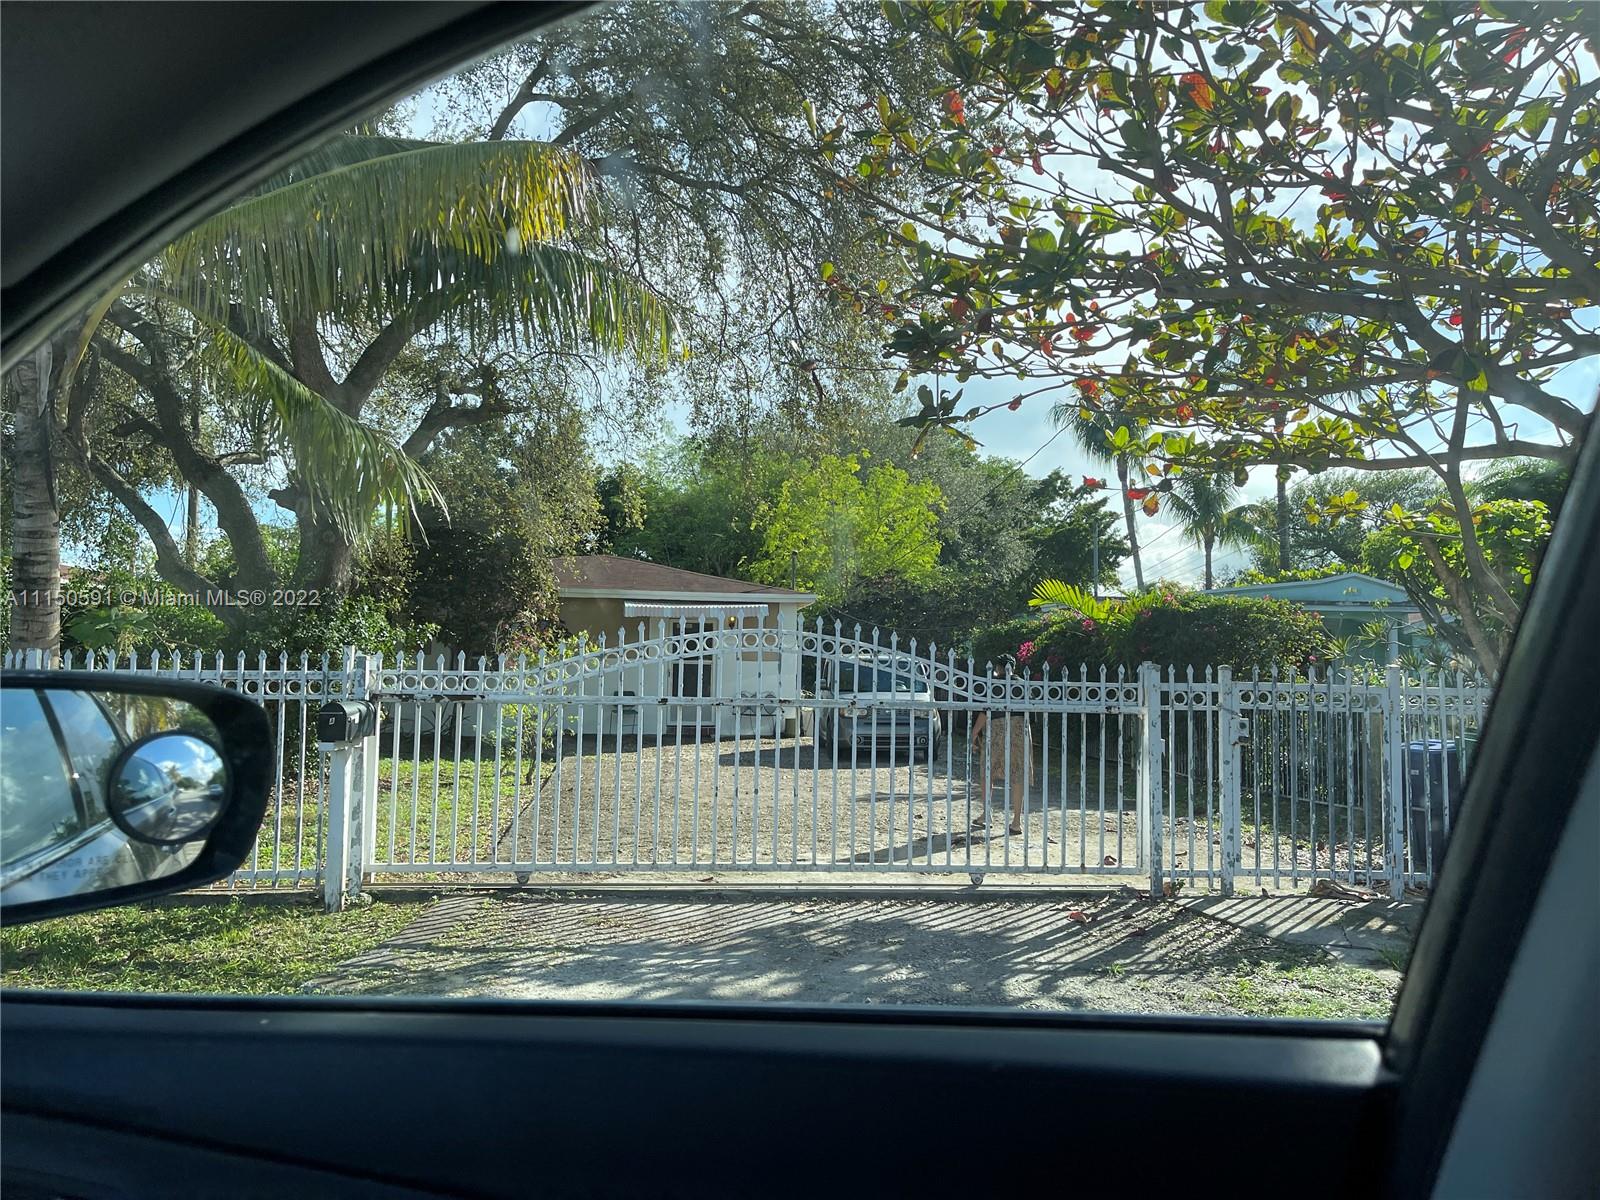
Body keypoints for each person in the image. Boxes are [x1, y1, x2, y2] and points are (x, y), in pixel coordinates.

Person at [969, 696, 1031, 836]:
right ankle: (1016, 822)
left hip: (996, 728)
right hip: (1020, 729)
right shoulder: (1024, 685)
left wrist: (973, 734)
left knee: (987, 771)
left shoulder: (994, 685)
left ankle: (987, 813)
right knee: (1017, 774)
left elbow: (985, 712)